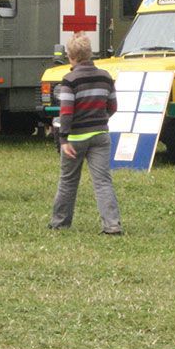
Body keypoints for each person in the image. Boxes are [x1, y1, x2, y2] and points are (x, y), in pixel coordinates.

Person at [49, 32, 121, 234]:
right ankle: (112, 225)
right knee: (103, 181)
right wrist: (101, 118)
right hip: (100, 136)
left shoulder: (69, 80)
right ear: (89, 54)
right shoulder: (105, 76)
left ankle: (60, 223)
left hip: (75, 138)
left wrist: (63, 139)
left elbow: (66, 112)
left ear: (71, 56)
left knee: (68, 180)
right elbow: (113, 106)